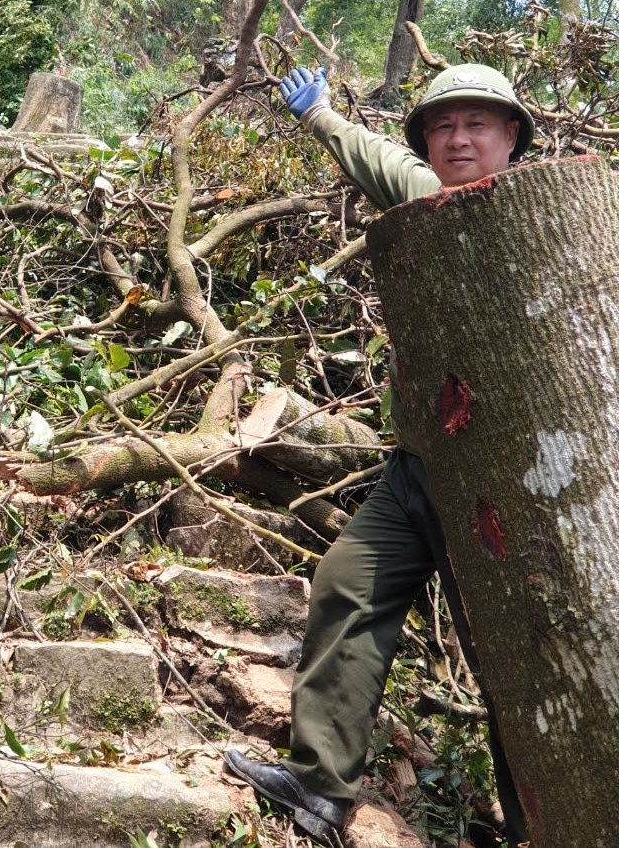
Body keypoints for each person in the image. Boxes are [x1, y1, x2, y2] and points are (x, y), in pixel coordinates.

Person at [225, 63, 534, 848]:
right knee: (347, 583)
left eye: (477, 125)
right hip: (419, 468)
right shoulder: (424, 198)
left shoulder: (547, 219)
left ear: (511, 139)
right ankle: (321, 784)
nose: (459, 138)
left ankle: (539, 823)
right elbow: (376, 158)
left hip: (506, 489)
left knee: (510, 659)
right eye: (443, 125)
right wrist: (322, 115)